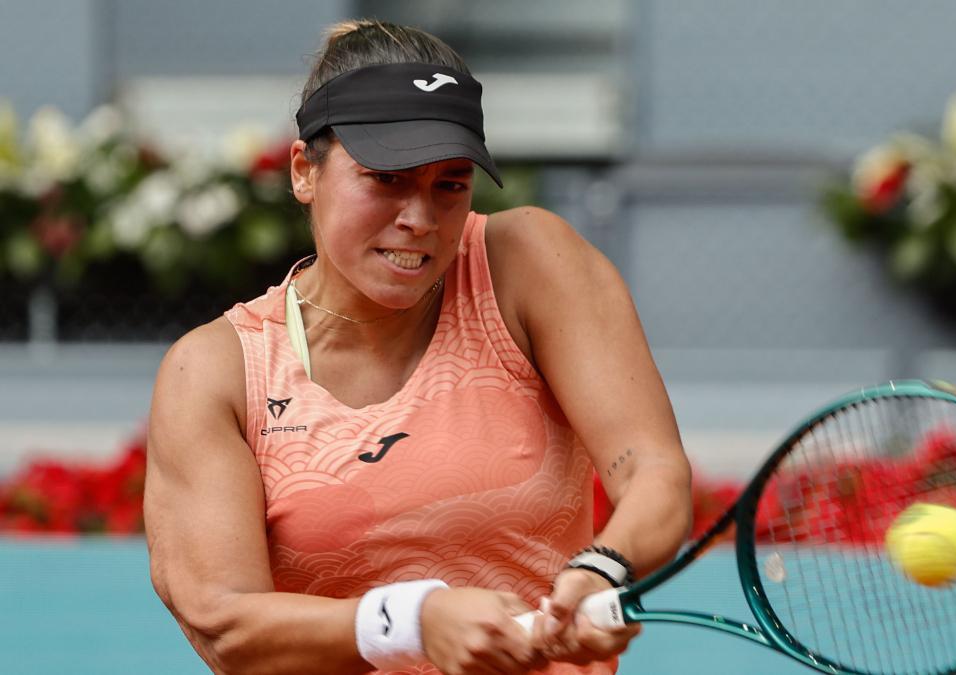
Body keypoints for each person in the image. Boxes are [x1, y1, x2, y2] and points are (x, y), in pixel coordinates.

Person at [144, 18, 692, 675]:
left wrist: (603, 567)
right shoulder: (213, 370)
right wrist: (411, 621)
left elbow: (653, 471)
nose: (421, 219)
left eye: (450, 184)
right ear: (304, 172)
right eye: (387, 178)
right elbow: (225, 625)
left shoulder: (530, 264)